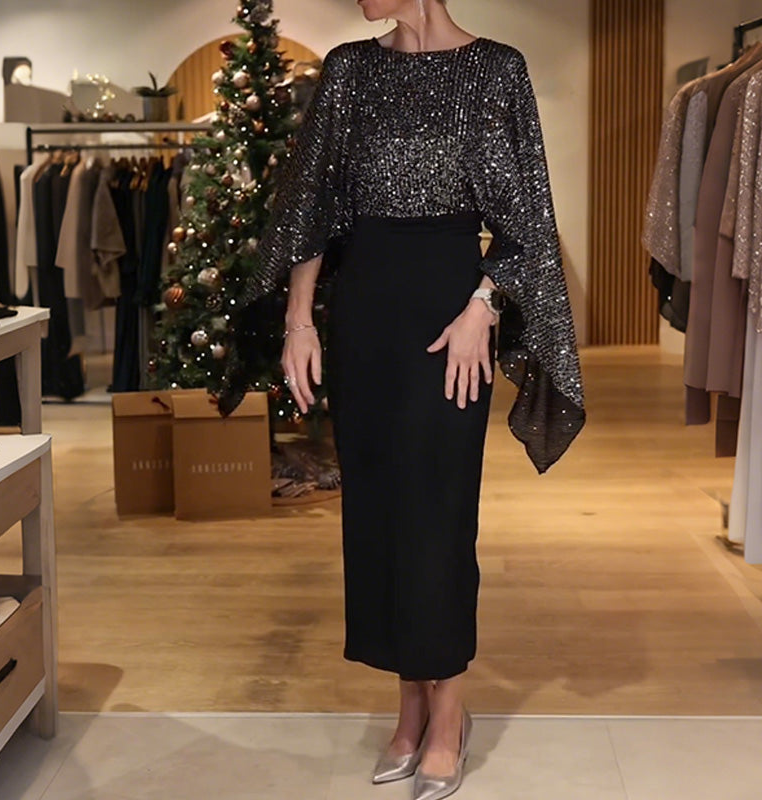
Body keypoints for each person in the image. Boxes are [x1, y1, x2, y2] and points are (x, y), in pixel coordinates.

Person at [239, 1, 585, 798]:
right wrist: (299, 322)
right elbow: (312, 204)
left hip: (452, 314)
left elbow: (529, 218)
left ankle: (449, 710)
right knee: (377, 513)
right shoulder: (349, 71)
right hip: (364, 315)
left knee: (439, 513)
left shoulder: (496, 69)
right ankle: (408, 706)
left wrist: (483, 308)